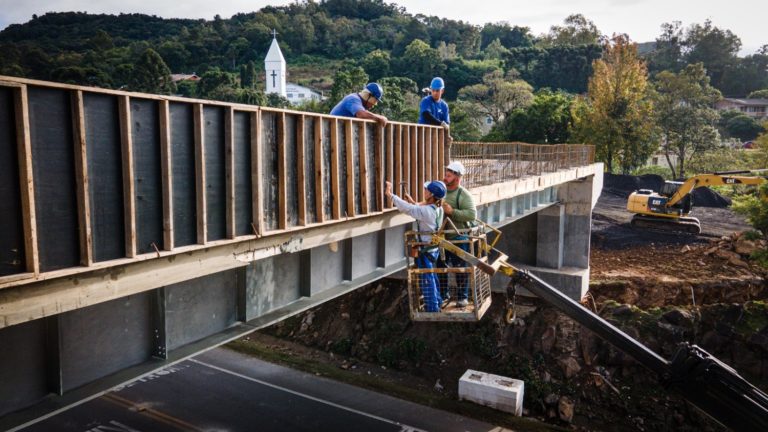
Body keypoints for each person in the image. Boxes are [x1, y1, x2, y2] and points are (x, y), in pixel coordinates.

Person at [385, 180, 446, 312]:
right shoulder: (438, 208)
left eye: (426, 190)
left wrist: (390, 194)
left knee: (427, 279)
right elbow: (420, 207)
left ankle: (432, 308)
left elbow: (408, 209)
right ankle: (438, 301)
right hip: (432, 249)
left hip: (425, 249)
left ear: (431, 195)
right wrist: (413, 201)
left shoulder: (426, 212)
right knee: (432, 275)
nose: (424, 191)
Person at [439, 161, 476, 307]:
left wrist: (452, 212)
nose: (445, 178)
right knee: (440, 266)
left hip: (458, 237)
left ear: (458, 177)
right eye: (446, 175)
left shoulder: (463, 194)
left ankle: (462, 297)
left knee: (460, 268)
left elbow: (471, 215)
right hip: (442, 237)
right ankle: (443, 295)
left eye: (448, 176)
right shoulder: (442, 191)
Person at [418, 77, 451, 141]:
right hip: (423, 135)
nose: (435, 93)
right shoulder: (426, 100)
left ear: (442, 91)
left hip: (437, 138)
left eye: (437, 90)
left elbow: (446, 124)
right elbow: (426, 114)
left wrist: (447, 136)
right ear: (431, 90)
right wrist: (440, 123)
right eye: (433, 90)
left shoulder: (444, 105)